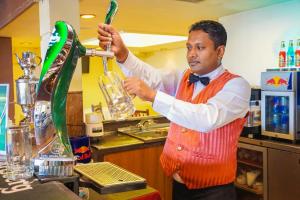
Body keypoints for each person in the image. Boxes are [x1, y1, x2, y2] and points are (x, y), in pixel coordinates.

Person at [98, 20, 251, 200]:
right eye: (189, 48)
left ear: (220, 51)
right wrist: (123, 54)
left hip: (215, 191)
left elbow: (206, 118)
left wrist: (153, 96)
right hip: (177, 185)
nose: (191, 54)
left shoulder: (237, 85)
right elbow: (151, 76)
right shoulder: (183, 77)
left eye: (200, 48)